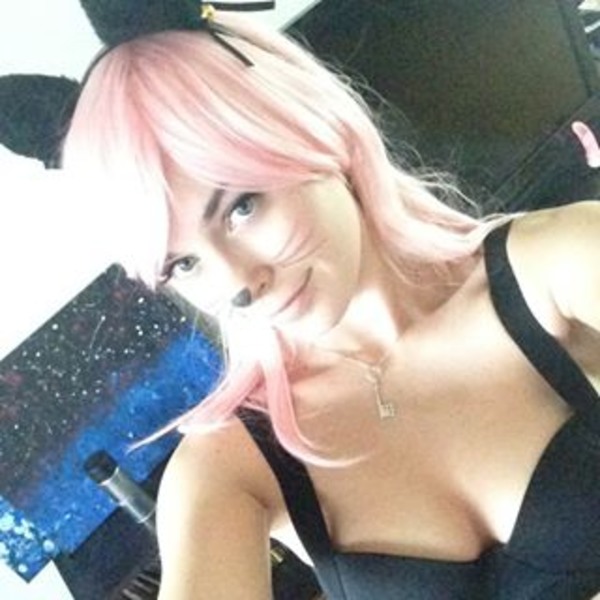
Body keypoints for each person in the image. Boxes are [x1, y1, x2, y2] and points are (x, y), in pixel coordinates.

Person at [4, 2, 600, 598]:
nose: (238, 281)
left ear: (311, 126)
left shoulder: (559, 264)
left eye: (241, 208)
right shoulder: (229, 466)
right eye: (183, 264)